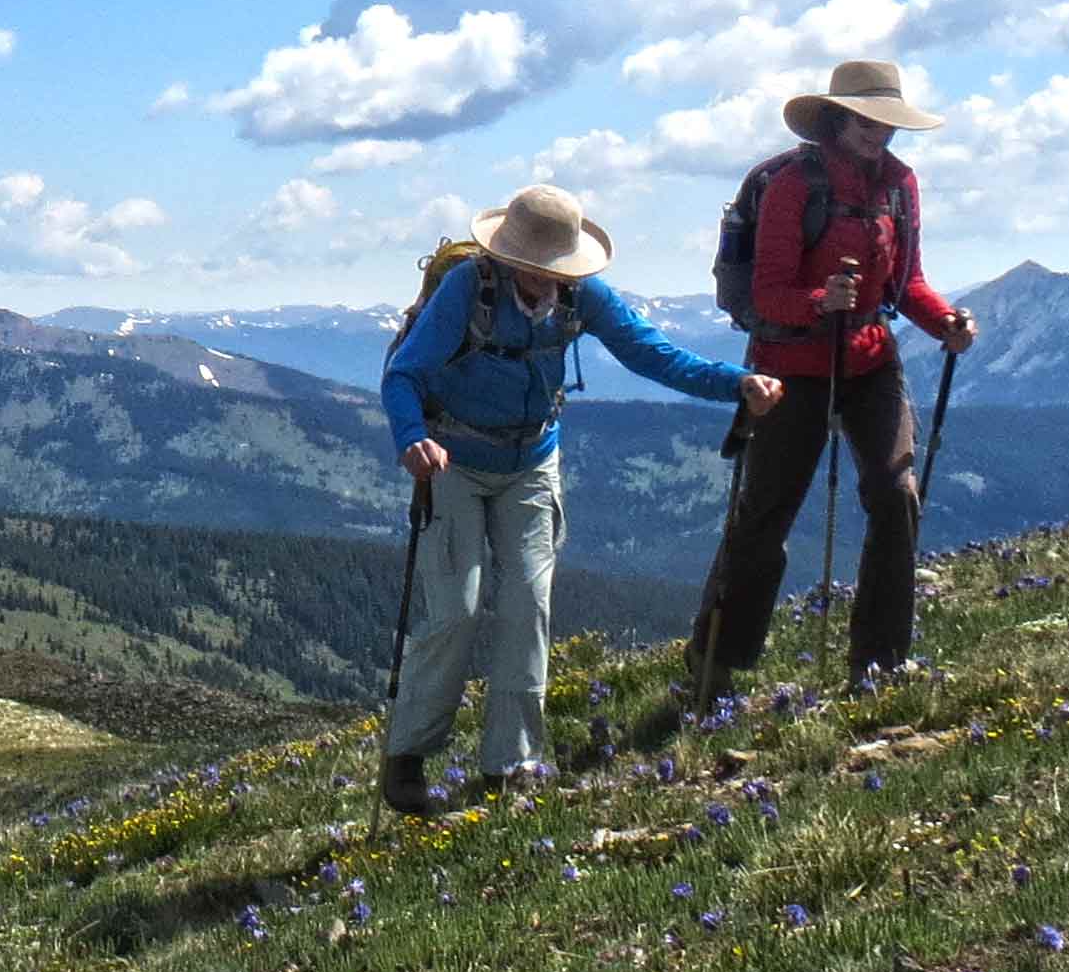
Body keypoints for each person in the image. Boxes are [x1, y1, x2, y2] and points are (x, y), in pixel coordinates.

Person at [378, 184, 782, 812]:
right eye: (533, 269)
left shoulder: (580, 296)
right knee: (455, 608)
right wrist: (412, 439)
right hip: (452, 460)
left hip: (533, 460)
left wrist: (737, 384)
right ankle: (407, 757)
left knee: (527, 606)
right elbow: (404, 373)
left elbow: (652, 353)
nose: (544, 282)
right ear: (507, 258)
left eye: (553, 270)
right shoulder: (466, 290)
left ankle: (510, 766)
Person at [683, 59, 981, 694]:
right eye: (869, 119)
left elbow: (908, 284)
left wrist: (945, 323)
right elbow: (767, 295)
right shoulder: (795, 184)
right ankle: (714, 666)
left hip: (871, 358)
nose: (881, 133)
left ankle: (879, 663)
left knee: (895, 494)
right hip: (790, 366)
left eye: (889, 122)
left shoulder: (900, 185)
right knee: (766, 516)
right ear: (838, 117)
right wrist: (822, 301)